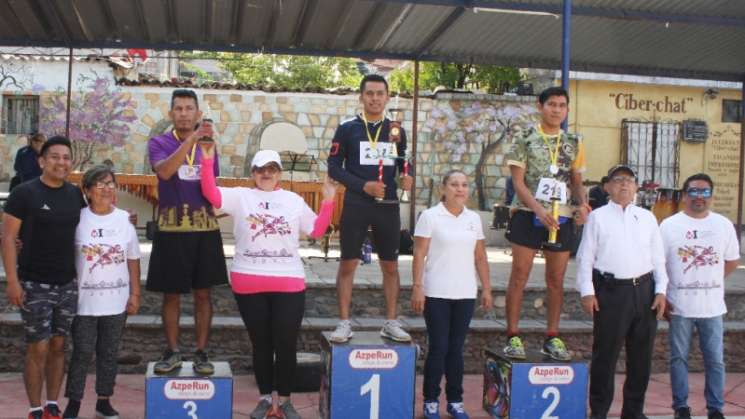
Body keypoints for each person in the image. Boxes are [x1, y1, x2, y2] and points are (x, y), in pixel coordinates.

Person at [199, 145, 335, 419]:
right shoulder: (241, 196)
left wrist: (329, 200)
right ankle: (264, 399)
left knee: (285, 344)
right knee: (261, 344)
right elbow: (210, 193)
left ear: (279, 173)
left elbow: (317, 230)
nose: (266, 173)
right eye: (260, 169)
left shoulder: (293, 200)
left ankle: (284, 401)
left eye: (271, 169)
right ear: (253, 173)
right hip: (248, 280)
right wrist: (206, 160)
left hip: (288, 281)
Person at [502, 86, 590, 361]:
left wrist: (583, 204)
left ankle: (552, 336)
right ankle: (512, 336)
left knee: (556, 279)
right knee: (519, 275)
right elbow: (518, 182)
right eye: (551, 104)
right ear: (540, 106)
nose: (557, 110)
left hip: (560, 216)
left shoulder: (574, 142)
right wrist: (538, 210)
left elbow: (576, 182)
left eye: (562, 105)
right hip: (528, 214)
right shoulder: (525, 138)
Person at [1, 136, 86, 419]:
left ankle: (52, 404)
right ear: (41, 161)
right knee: (37, 347)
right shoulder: (24, 193)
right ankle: (35, 408)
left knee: (59, 346)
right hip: (34, 283)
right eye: (55, 157)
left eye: (66, 157)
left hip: (68, 284)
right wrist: (12, 281)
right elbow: (9, 238)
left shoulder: (75, 195)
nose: (61, 162)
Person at [576, 164, 668, 419]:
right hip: (611, 292)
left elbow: (658, 258)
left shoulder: (647, 217)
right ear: (607, 187)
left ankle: (633, 412)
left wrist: (661, 290)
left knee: (641, 358)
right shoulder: (598, 217)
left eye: (629, 180)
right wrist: (587, 291)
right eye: (618, 180)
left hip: (645, 292)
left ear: (636, 186)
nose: (624, 185)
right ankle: (599, 411)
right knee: (605, 356)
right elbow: (586, 258)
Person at [146, 89, 228, 375]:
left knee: (204, 294)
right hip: (170, 229)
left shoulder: (209, 145)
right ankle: (172, 351)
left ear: (197, 113)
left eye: (188, 108)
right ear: (171, 114)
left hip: (205, 228)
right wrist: (191, 140)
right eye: (178, 109)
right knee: (171, 295)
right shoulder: (159, 142)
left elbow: (209, 182)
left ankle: (202, 352)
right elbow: (165, 172)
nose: (183, 113)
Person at [327, 74, 413, 343]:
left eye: (380, 93)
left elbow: (402, 164)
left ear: (387, 97)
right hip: (357, 203)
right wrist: (362, 186)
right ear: (361, 97)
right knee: (348, 263)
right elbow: (332, 167)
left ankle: (390, 321)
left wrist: (406, 177)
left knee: (390, 265)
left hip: (387, 205)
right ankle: (343, 323)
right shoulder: (347, 128)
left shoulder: (397, 130)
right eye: (370, 93)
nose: (375, 98)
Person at [61, 166, 141, 419]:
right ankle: (73, 402)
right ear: (86, 191)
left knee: (109, 353)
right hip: (84, 302)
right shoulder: (78, 218)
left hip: (116, 302)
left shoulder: (123, 219)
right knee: (82, 352)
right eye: (99, 184)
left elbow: (133, 258)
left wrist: (135, 294)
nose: (106, 188)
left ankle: (103, 401)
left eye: (110, 183)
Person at [411, 170, 492, 419]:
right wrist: (417, 287)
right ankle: (431, 400)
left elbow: (480, 256)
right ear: (443, 189)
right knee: (439, 347)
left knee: (456, 349)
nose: (460, 189)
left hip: (465, 293)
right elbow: (419, 254)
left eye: (464, 185)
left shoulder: (474, 219)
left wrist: (487, 288)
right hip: (436, 292)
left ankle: (455, 401)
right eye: (454, 184)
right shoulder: (430, 216)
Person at [660, 173, 739, 419]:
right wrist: (663, 295)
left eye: (704, 192)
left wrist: (710, 281)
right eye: (694, 191)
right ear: (684, 196)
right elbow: (658, 264)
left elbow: (732, 261)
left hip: (712, 307)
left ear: (711, 196)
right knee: (678, 359)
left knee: (715, 361)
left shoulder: (723, 225)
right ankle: (680, 407)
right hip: (679, 306)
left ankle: (715, 408)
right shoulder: (669, 225)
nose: (699, 197)